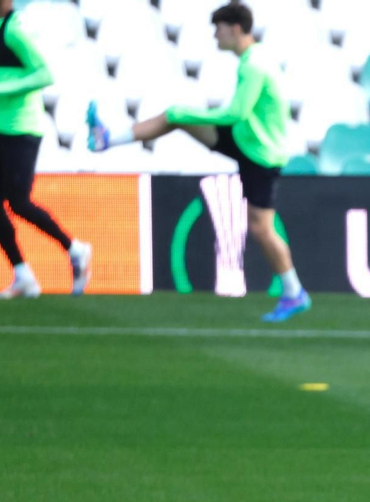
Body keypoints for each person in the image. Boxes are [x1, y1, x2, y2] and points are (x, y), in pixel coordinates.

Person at [88, 3, 306, 322]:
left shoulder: (255, 64)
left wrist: (187, 112)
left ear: (234, 28)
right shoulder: (252, 60)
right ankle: (107, 138)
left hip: (260, 155)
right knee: (175, 118)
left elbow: (235, 113)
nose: (214, 35)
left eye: (217, 28)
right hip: (248, 141)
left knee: (261, 228)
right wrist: (183, 114)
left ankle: (294, 292)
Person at [0, 0, 92, 299]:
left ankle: (75, 250)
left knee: (19, 202)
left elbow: (43, 75)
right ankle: (23, 276)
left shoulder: (16, 31)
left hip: (21, 129)